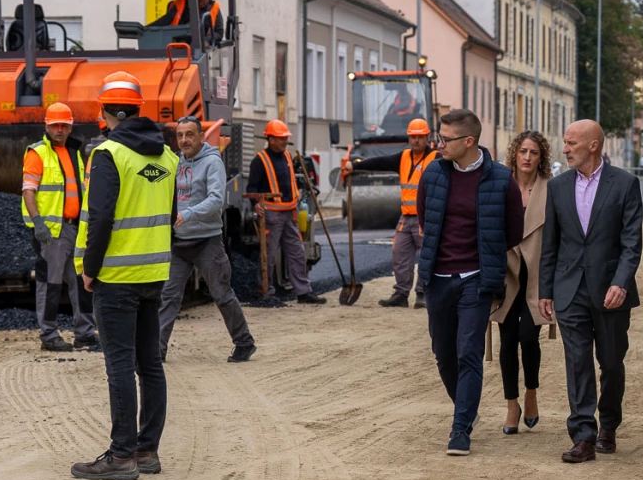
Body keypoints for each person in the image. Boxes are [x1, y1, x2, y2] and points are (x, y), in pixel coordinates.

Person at [71, 71, 178, 480]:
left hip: (116, 276)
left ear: (107, 111)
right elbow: (169, 217)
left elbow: (99, 218)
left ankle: (121, 457)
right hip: (155, 273)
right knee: (149, 363)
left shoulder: (109, 154)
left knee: (119, 364)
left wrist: (90, 269)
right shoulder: (167, 156)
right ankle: (147, 451)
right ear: (136, 109)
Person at [416, 109, 524, 456]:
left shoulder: (500, 179)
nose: (438, 144)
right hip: (438, 278)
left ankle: (460, 428)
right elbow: (424, 218)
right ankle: (467, 406)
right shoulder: (433, 173)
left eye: (445, 139)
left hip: (476, 280)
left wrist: (485, 265)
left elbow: (513, 230)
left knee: (469, 354)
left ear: (469, 141)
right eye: (439, 136)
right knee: (444, 355)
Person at [539, 120, 643, 464]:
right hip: (570, 290)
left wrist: (621, 282)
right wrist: (546, 289)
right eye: (565, 142)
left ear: (593, 146)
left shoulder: (625, 184)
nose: (565, 148)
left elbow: (631, 242)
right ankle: (583, 434)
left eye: (571, 143)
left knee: (611, 363)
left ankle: (608, 425)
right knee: (577, 363)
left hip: (611, 291)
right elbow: (550, 243)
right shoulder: (557, 187)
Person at [158, 116, 256, 363]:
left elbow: (216, 200)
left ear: (202, 137)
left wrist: (188, 214)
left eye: (190, 134)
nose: (184, 140)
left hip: (206, 242)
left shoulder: (212, 162)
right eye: (180, 135)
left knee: (222, 294)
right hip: (179, 243)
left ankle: (244, 343)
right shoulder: (176, 161)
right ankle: (157, 351)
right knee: (168, 297)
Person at [490, 130, 553, 435]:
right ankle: (511, 404)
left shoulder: (550, 190)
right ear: (514, 154)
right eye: (523, 151)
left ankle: (531, 392)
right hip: (506, 276)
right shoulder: (501, 186)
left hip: (537, 279)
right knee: (507, 341)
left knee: (529, 337)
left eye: (534, 153)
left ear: (542, 158)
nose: (527, 157)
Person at [21, 102, 98, 352]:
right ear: (47, 125)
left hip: (75, 229)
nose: (60, 129)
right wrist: (38, 223)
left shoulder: (74, 152)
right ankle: (49, 335)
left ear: (70, 126)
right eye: (55, 125)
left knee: (81, 282)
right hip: (51, 233)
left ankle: (85, 333)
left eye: (64, 125)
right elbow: (28, 191)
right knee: (50, 283)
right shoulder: (37, 153)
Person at [341, 118, 437, 308]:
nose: (416, 140)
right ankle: (401, 294)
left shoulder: (436, 159)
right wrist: (356, 165)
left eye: (420, 137)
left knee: (428, 257)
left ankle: (423, 294)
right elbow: (380, 162)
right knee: (400, 255)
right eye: (413, 137)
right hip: (406, 217)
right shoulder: (403, 157)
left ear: (427, 137)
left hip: (426, 219)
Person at [245, 120, 326, 304]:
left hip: (290, 212)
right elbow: (252, 187)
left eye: (285, 138)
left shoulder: (288, 157)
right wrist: (254, 202)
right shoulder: (260, 160)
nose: (284, 141)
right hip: (271, 215)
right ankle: (266, 291)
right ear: (271, 139)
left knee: (297, 253)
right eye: (281, 138)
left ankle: (303, 292)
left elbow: (291, 182)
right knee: (269, 255)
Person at [148, 0, 224, 47]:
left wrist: (206, 41)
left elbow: (219, 33)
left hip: (201, 53)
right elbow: (163, 21)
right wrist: (145, 30)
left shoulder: (214, 8)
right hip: (176, 50)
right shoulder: (180, 4)